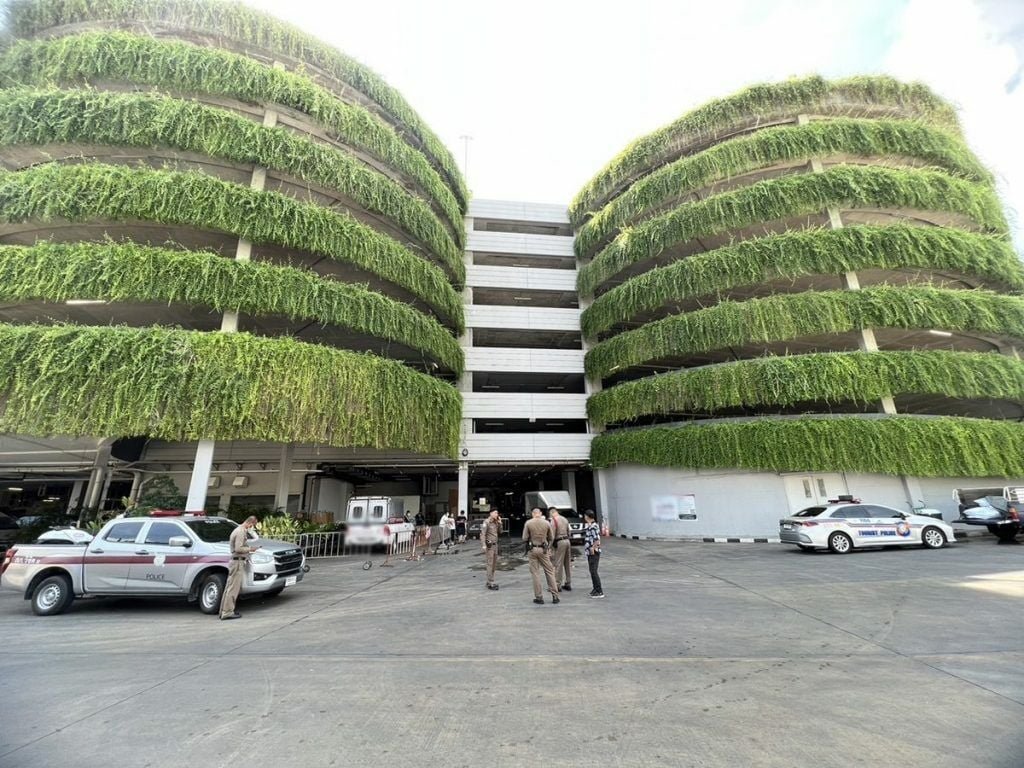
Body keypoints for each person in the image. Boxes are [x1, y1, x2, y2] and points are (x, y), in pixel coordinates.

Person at [221, 515, 260, 620]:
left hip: (236, 562)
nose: (252, 528)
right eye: (253, 525)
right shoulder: (241, 531)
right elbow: (238, 548)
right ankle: (227, 612)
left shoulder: (237, 530)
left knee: (229, 587)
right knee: (233, 588)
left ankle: (224, 611)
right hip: (237, 562)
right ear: (250, 523)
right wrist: (250, 549)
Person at [522, 507, 559, 604]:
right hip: (543, 549)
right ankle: (555, 596)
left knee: (535, 573)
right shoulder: (546, 523)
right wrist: (548, 547)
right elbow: (551, 537)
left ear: (533, 513)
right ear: (540, 513)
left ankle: (539, 597)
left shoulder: (529, 523)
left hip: (533, 549)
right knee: (549, 571)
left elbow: (524, 538)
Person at [548, 506, 572, 592]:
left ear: (551, 513)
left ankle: (557, 585)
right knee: (567, 563)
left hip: (560, 542)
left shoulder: (553, 520)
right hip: (567, 541)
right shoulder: (565, 519)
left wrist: (549, 546)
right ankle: (568, 583)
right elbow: (569, 531)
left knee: (558, 564)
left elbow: (552, 535)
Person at [583, 509, 604, 598]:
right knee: (592, 571)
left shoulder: (594, 526)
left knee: (594, 571)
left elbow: (597, 539)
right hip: (589, 552)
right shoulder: (590, 526)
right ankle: (595, 588)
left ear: (587, 516)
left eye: (585, 516)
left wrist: (593, 548)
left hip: (593, 552)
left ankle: (599, 591)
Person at [480, 508, 502, 590]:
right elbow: (483, 534)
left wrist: (500, 523)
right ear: (491, 513)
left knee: (494, 564)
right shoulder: (486, 522)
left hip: (495, 545)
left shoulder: (496, 522)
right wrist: (483, 545)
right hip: (489, 546)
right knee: (490, 564)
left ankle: (489, 581)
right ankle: (491, 582)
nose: (497, 514)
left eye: (497, 513)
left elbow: (500, 532)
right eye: (496, 513)